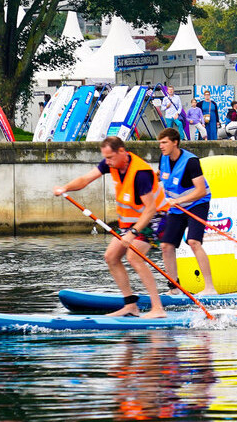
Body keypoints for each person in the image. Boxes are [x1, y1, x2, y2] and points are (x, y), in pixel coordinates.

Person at [52, 136, 168, 317]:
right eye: (105, 158)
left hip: (155, 217)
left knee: (134, 258)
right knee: (111, 257)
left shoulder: (141, 173)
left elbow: (151, 209)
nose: (107, 162)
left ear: (122, 151)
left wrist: (133, 233)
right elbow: (85, 179)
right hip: (131, 221)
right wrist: (64, 188)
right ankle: (130, 305)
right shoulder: (111, 163)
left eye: (110, 157)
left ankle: (158, 309)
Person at [154, 127, 217, 295]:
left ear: (175, 143)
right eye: (160, 143)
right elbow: (160, 175)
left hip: (197, 204)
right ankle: (174, 288)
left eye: (164, 142)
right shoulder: (163, 157)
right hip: (176, 208)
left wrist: (178, 201)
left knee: (193, 242)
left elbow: (200, 191)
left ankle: (210, 288)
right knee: (166, 246)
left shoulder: (191, 162)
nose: (161, 146)